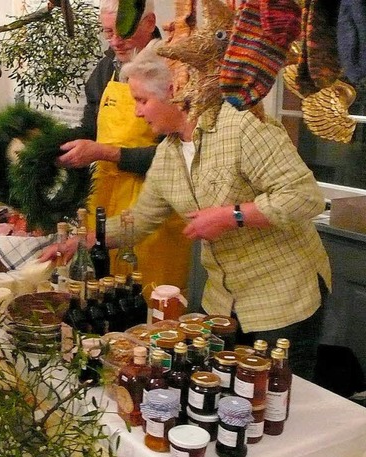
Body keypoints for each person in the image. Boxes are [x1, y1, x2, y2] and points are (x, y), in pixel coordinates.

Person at [44, 39, 331, 381]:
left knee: (277, 401)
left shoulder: (242, 126)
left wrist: (230, 216)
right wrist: (81, 243)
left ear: (174, 92)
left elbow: (304, 196)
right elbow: (138, 221)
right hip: (223, 300)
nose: (137, 111)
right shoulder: (168, 154)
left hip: (284, 296)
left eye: (142, 100)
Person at [57, 0, 192, 290]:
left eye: (122, 32)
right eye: (107, 33)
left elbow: (176, 153)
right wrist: (51, 145)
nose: (115, 41)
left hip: (156, 201)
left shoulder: (173, 67)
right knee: (104, 289)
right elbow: (90, 128)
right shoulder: (106, 67)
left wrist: (106, 152)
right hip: (108, 197)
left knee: (149, 293)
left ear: (148, 22)